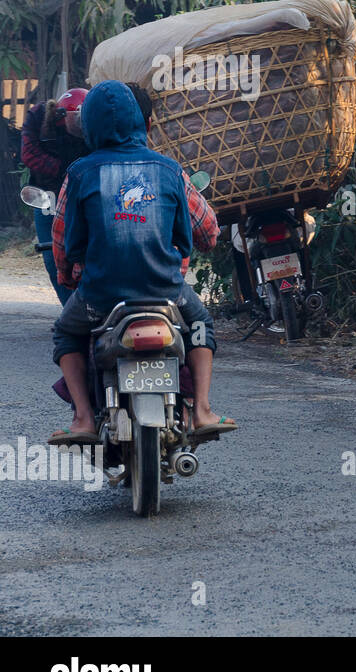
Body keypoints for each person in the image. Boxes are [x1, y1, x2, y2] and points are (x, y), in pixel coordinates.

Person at [46, 80, 235, 446]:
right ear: (142, 123)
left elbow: (62, 238)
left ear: (90, 128)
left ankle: (84, 417)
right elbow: (207, 233)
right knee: (201, 326)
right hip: (166, 291)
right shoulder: (169, 170)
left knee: (66, 332)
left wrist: (66, 274)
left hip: (100, 295)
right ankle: (202, 411)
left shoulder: (80, 172)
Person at [20, 88, 89, 304]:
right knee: (52, 257)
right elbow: (29, 154)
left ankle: (93, 308)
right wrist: (66, 171)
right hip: (47, 196)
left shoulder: (93, 121)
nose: (81, 125)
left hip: (83, 195)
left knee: (89, 253)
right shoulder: (37, 117)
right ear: (60, 115)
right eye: (76, 120)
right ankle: (70, 311)